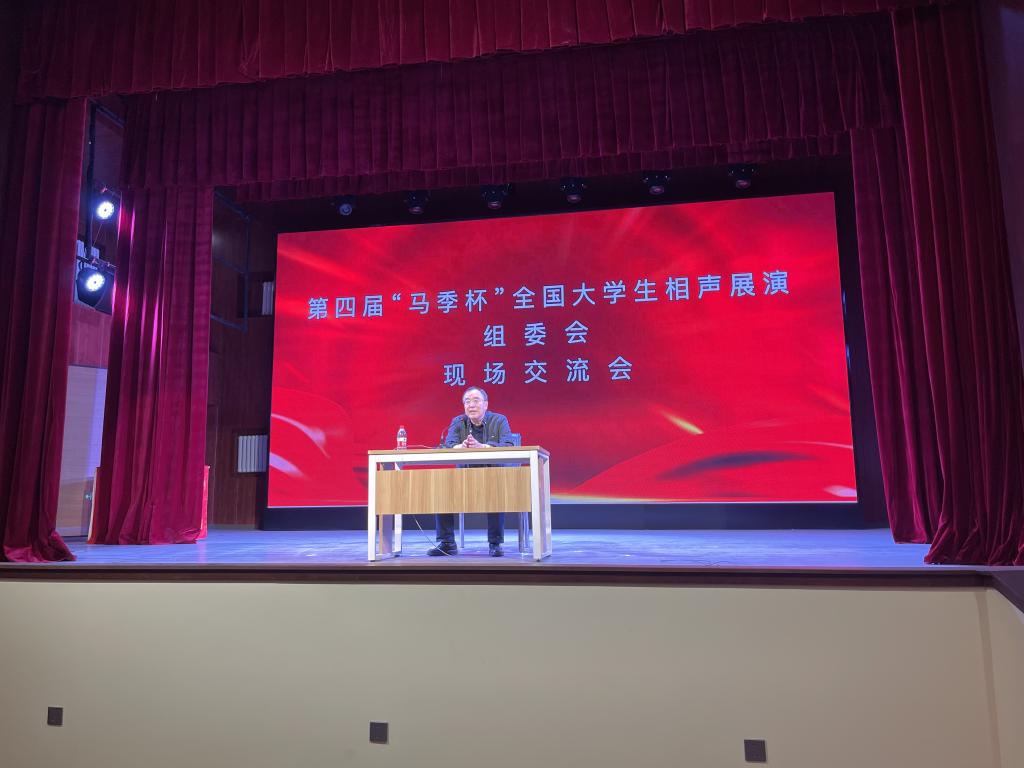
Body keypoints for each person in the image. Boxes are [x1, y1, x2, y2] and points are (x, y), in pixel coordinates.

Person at [428, 386, 516, 557]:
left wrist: (483, 447)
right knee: (443, 491)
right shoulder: (458, 422)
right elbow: (448, 444)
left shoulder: (499, 420)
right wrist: (459, 447)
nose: (471, 405)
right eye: (467, 402)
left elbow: (509, 444)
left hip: (493, 477)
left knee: (496, 490)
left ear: (485, 405)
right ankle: (447, 543)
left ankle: (495, 543)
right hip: (464, 479)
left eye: (476, 401)